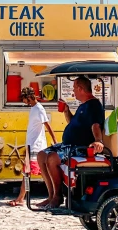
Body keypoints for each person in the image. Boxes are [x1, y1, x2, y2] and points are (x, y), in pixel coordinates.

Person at [37, 76, 105, 209]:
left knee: (52, 158)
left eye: (74, 88)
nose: (73, 92)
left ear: (80, 89)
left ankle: (58, 196)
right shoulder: (83, 106)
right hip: (68, 145)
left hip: (78, 147)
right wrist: (66, 111)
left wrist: (98, 141)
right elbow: (73, 123)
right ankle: (51, 195)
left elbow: (96, 125)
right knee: (41, 155)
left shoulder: (93, 105)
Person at [7, 87, 57, 207]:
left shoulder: (39, 109)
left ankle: (53, 196)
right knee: (30, 172)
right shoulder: (34, 108)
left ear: (29, 97)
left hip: (37, 146)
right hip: (31, 145)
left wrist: (55, 141)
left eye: (23, 98)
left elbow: (48, 126)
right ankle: (22, 198)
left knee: (40, 173)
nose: (23, 101)